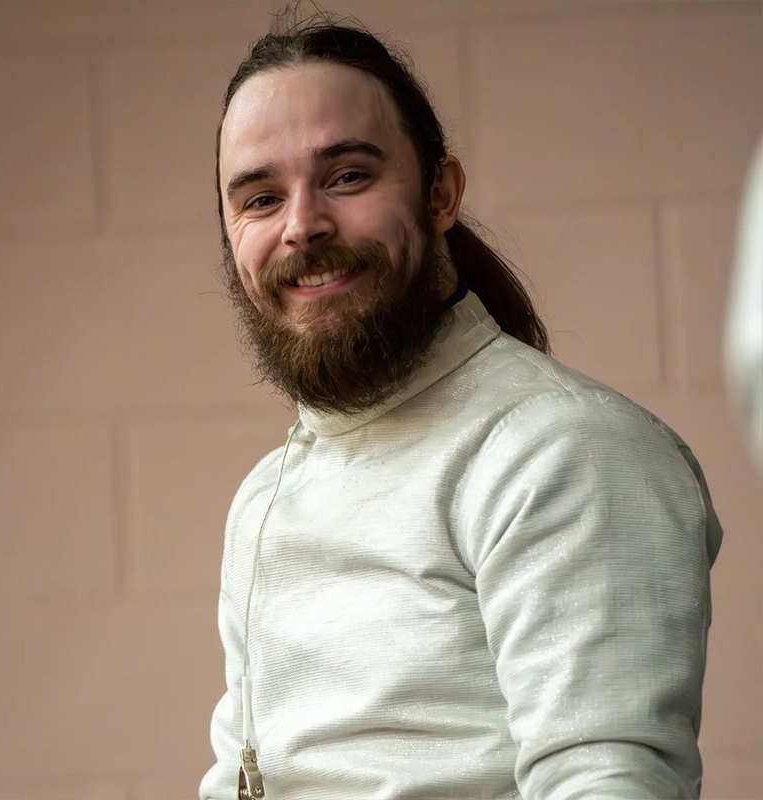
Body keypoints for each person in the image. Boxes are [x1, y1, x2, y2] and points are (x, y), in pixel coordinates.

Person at [200, 8, 723, 799]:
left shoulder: (561, 449)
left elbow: (607, 781)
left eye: (347, 176)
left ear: (440, 193)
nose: (302, 226)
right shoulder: (263, 498)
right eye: (261, 198)